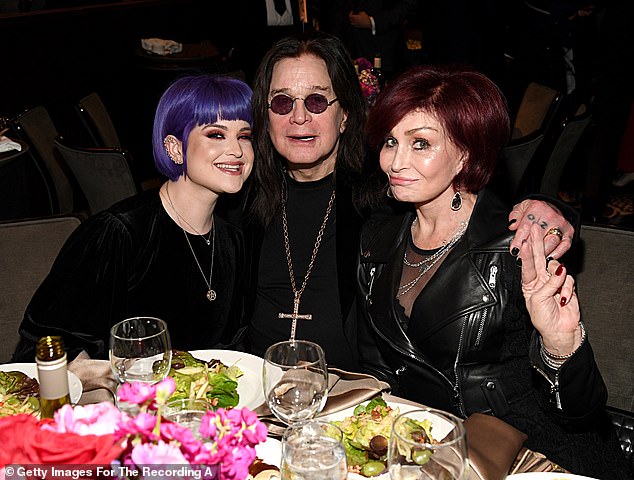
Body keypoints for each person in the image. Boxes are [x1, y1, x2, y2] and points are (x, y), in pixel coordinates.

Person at [241, 31, 576, 372]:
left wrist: (547, 207)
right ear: (265, 116)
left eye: (316, 101)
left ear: (344, 114)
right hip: (254, 389)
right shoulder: (241, 196)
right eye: (282, 101)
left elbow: (467, 195)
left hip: (352, 394)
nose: (299, 117)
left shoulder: (384, 191)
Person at [356, 64, 629, 477]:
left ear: (465, 152)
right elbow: (376, 365)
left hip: (521, 449)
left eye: (420, 144)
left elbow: (580, 412)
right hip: (417, 442)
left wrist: (561, 347)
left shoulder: (519, 247)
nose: (396, 161)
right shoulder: (378, 235)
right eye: (390, 141)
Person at [12, 75, 254, 361]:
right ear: (175, 147)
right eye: (216, 134)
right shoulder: (119, 233)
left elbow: (235, 349)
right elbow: (41, 347)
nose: (237, 150)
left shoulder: (234, 240)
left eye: (244, 136)